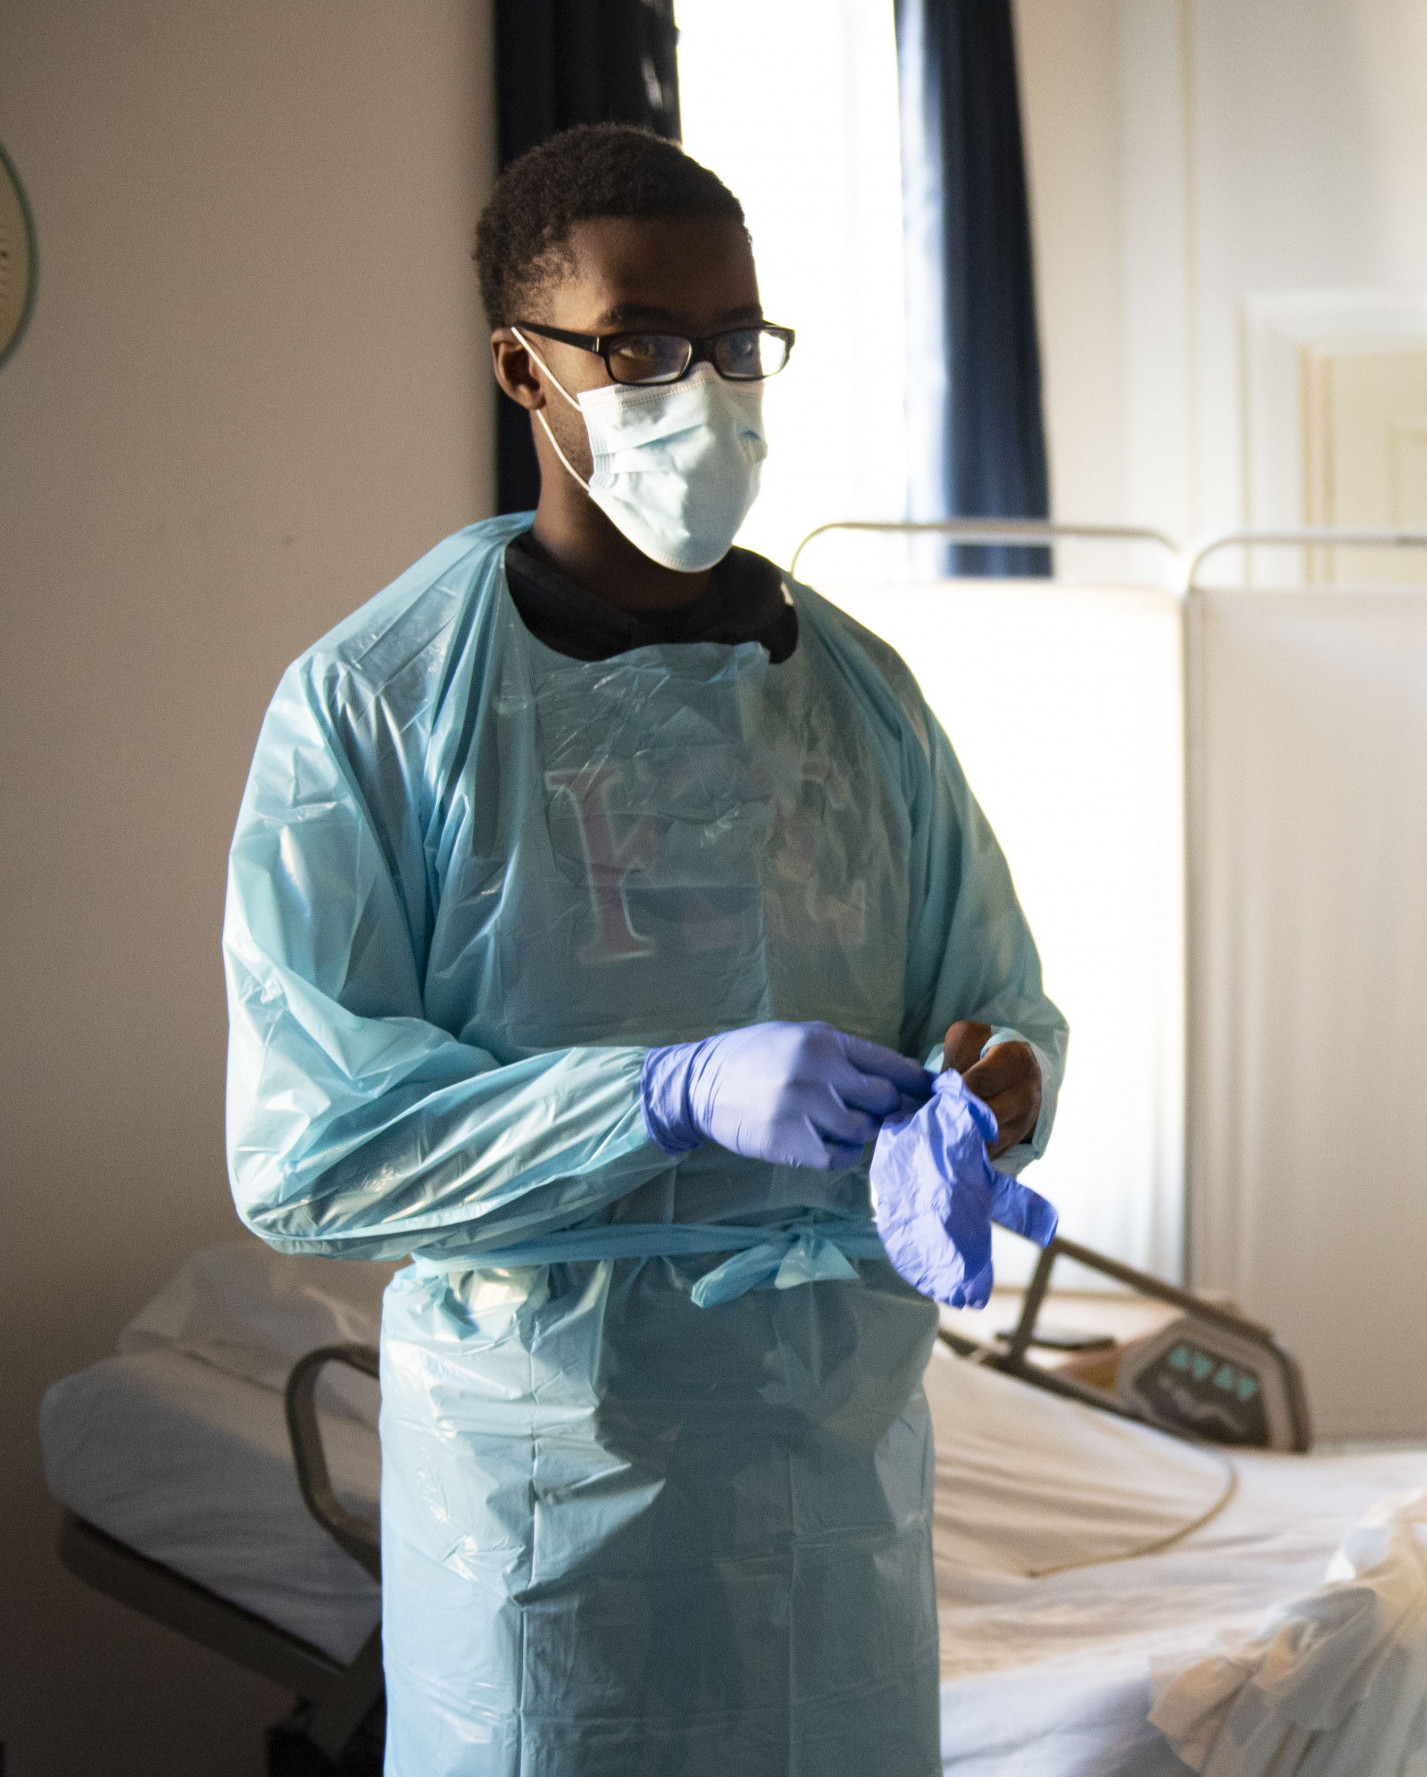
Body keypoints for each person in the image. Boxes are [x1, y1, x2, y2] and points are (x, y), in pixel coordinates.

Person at [222, 124, 1066, 1776]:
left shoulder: (863, 698)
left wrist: (1002, 1083)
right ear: (519, 370)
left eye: (736, 342)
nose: (706, 388)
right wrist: (659, 1096)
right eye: (642, 346)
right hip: (552, 1513)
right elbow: (310, 1153)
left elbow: (994, 989)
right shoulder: (382, 708)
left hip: (837, 1485)